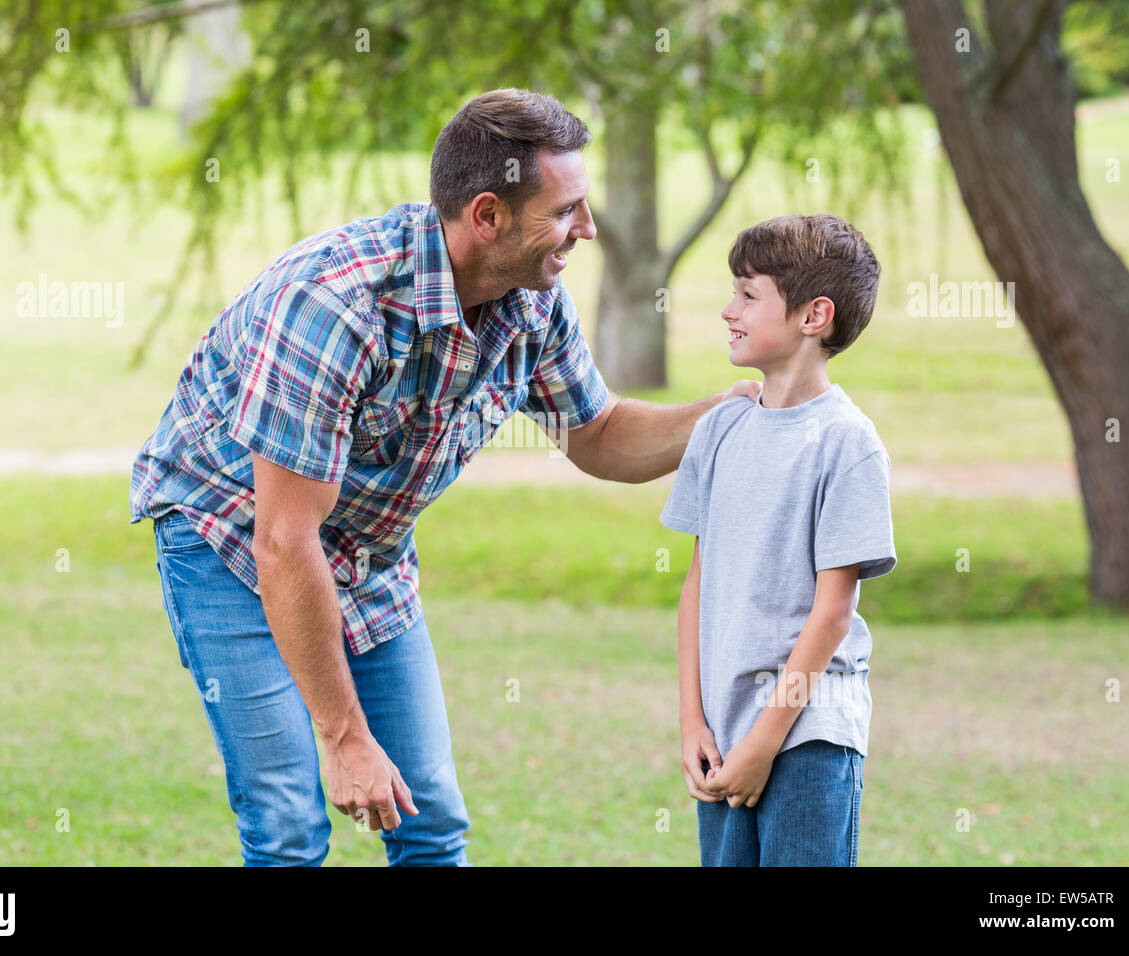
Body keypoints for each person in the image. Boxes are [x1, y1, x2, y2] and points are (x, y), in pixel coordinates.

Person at [128, 87, 761, 866]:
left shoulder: (531, 304)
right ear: (488, 215)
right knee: (289, 823)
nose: (587, 229)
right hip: (231, 540)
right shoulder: (337, 307)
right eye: (566, 210)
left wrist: (724, 417)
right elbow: (283, 540)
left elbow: (597, 435)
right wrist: (346, 737)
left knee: (430, 819)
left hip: (367, 555)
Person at [659, 213, 897, 867]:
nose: (728, 310)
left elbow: (833, 612)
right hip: (724, 732)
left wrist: (767, 740)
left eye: (748, 293)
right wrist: (692, 722)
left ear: (813, 315)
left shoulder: (846, 443)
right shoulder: (719, 429)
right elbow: (697, 587)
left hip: (808, 734)